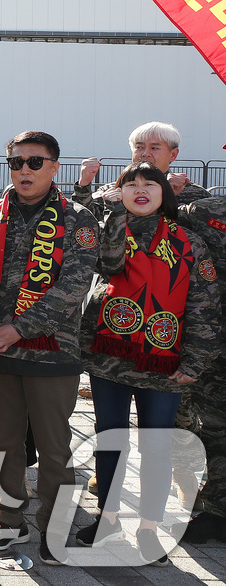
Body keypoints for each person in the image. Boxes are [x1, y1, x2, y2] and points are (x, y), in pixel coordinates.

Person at [72, 162, 220, 566]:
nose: (139, 189)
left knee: (157, 447)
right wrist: (116, 213)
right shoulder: (110, 231)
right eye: (130, 184)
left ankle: (150, 528)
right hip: (109, 359)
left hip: (165, 364)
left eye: (148, 184)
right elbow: (109, 264)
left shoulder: (190, 242)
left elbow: (205, 306)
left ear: (164, 193)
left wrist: (195, 361)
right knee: (111, 440)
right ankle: (108, 518)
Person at [0, 131, 98, 567]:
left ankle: (56, 528)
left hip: (52, 352)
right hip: (0, 352)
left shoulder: (78, 217)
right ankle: (10, 520)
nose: (23, 170)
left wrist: (19, 328)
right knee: (4, 444)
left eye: (34, 162)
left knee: (54, 449)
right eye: (15, 162)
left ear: (55, 166)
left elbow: (72, 287)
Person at [177, 175, 226, 545]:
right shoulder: (206, 209)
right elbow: (145, 212)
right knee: (214, 427)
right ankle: (215, 510)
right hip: (210, 341)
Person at [75, 122, 212, 209]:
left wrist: (168, 193)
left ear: (173, 154)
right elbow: (82, 220)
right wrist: (84, 184)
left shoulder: (195, 194)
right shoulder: (114, 189)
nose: (145, 154)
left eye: (154, 148)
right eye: (139, 147)